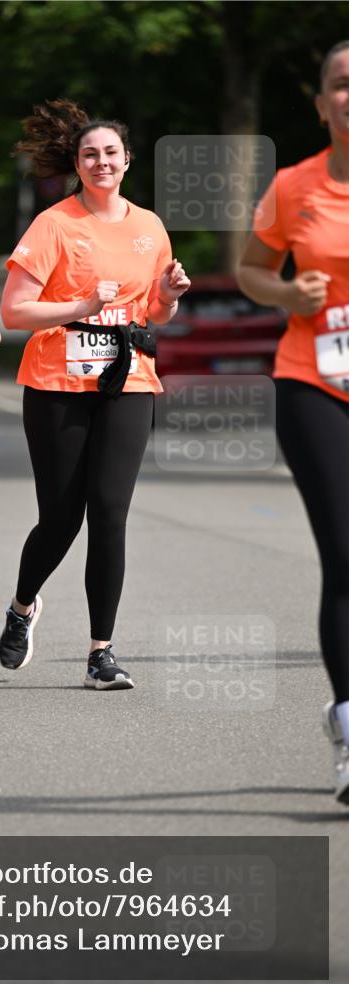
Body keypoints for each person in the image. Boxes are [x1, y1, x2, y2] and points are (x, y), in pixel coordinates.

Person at [0, 99, 190, 689]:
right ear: (76, 166)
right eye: (90, 155)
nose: (101, 162)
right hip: (58, 380)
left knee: (110, 512)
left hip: (128, 377)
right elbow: (13, 311)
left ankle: (100, 653)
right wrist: (80, 306)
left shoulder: (148, 226)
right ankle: (23, 605)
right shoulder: (55, 224)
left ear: (127, 160)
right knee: (61, 517)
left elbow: (154, 309)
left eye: (110, 153)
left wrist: (170, 294)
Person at [237, 40, 349, 805]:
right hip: (315, 383)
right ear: (320, 104)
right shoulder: (292, 186)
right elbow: (251, 269)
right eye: (340, 85)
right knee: (345, 555)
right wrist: (286, 296)